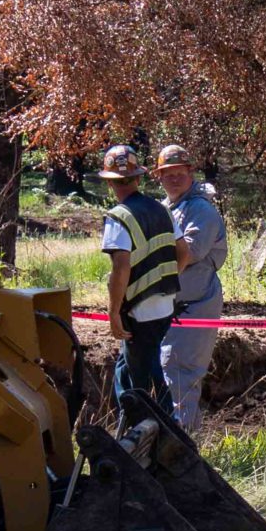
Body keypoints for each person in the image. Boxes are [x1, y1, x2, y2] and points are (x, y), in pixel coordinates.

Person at [97, 144, 181, 422]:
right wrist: (164, 279)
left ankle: (151, 432)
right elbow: (185, 253)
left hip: (138, 312)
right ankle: (138, 425)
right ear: (138, 178)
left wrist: (112, 313)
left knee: (142, 384)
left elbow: (121, 267)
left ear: (110, 182)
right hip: (165, 305)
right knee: (130, 366)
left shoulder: (118, 217)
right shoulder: (162, 210)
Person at [155, 144, 229, 431]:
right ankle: (179, 444)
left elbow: (186, 255)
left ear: (191, 173)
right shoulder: (166, 209)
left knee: (180, 374)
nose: (174, 179)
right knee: (167, 375)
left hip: (195, 306)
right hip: (168, 307)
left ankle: (180, 448)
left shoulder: (200, 210)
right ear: (159, 177)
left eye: (179, 173)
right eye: (167, 174)